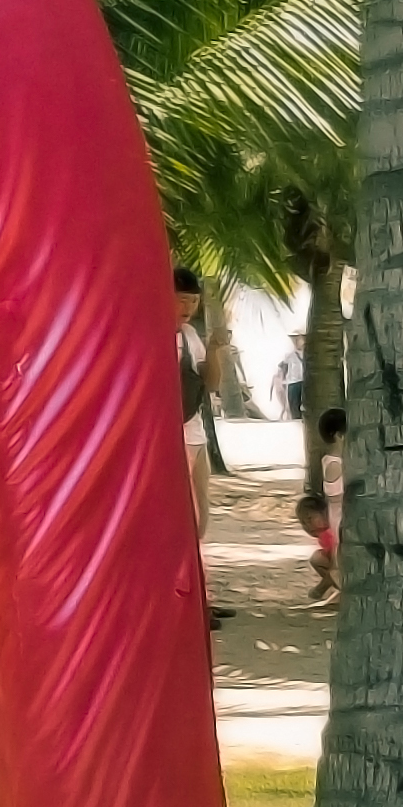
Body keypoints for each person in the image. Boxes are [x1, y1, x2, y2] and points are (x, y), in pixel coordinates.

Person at [173, 267, 230, 627]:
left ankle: (198, 590)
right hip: (171, 432)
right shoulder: (157, 333)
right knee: (185, 513)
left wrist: (214, 350)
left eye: (193, 301)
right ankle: (185, 594)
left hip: (193, 429)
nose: (188, 307)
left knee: (201, 508)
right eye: (182, 300)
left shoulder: (190, 336)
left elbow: (210, 384)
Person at [306, 407, 348, 611]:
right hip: (341, 519)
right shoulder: (335, 464)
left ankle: (336, 592)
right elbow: (336, 494)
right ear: (339, 436)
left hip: (339, 517)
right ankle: (336, 591)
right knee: (340, 560)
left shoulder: (333, 461)